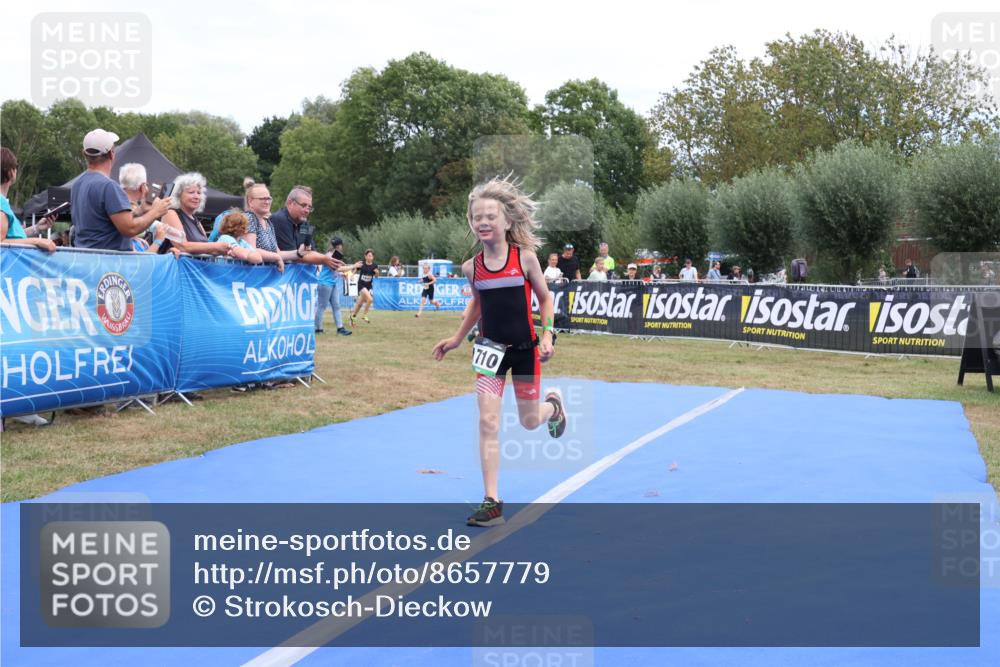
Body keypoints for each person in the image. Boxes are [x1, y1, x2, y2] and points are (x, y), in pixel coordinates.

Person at [432, 176, 567, 527]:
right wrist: (457, 338)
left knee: (529, 421)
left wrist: (548, 335)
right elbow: (478, 305)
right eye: (477, 217)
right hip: (489, 351)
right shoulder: (471, 268)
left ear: (507, 221)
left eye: (490, 216)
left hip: (524, 350)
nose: (483, 222)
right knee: (488, 421)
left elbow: (545, 299)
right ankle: (491, 502)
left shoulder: (525, 259)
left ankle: (553, 407)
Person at [71, 129, 171, 250]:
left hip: (84, 255)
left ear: (84, 154)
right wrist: (156, 211)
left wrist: (140, 211)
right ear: (111, 154)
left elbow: (104, 222)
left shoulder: (77, 184)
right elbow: (129, 229)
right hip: (108, 259)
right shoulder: (109, 186)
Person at [159, 172, 233, 256]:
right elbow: (182, 246)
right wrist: (215, 246)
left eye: (199, 193)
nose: (196, 196)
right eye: (191, 192)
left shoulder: (196, 221)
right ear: (178, 195)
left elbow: (205, 248)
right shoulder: (170, 213)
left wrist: (227, 250)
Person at [1, 147, 56, 253]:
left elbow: (14, 238)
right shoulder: (1, 206)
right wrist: (37, 241)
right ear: (11, 172)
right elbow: (1, 243)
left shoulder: (3, 204)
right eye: (15, 167)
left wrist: (37, 228)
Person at [315, 238, 353, 336]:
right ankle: (318, 329)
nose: (342, 247)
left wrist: (341, 274)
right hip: (325, 283)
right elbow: (337, 268)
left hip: (332, 283)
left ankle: (340, 328)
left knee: (336, 306)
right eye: (341, 245)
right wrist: (354, 266)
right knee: (322, 306)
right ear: (339, 245)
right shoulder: (329, 255)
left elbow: (333, 270)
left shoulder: (335, 255)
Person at [268, 185, 315, 252]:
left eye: (309, 207)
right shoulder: (279, 220)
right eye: (303, 205)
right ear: (290, 203)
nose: (307, 211)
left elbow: (312, 251)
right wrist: (325, 258)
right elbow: (293, 254)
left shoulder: (304, 224)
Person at [350, 249, 378, 325]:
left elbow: (376, 276)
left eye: (371, 256)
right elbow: (356, 269)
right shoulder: (362, 264)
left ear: (373, 257)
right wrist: (352, 275)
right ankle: (364, 315)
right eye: (368, 255)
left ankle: (353, 316)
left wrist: (377, 273)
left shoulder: (375, 265)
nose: (370, 257)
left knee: (360, 303)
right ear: (365, 256)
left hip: (368, 286)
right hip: (361, 285)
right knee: (370, 299)